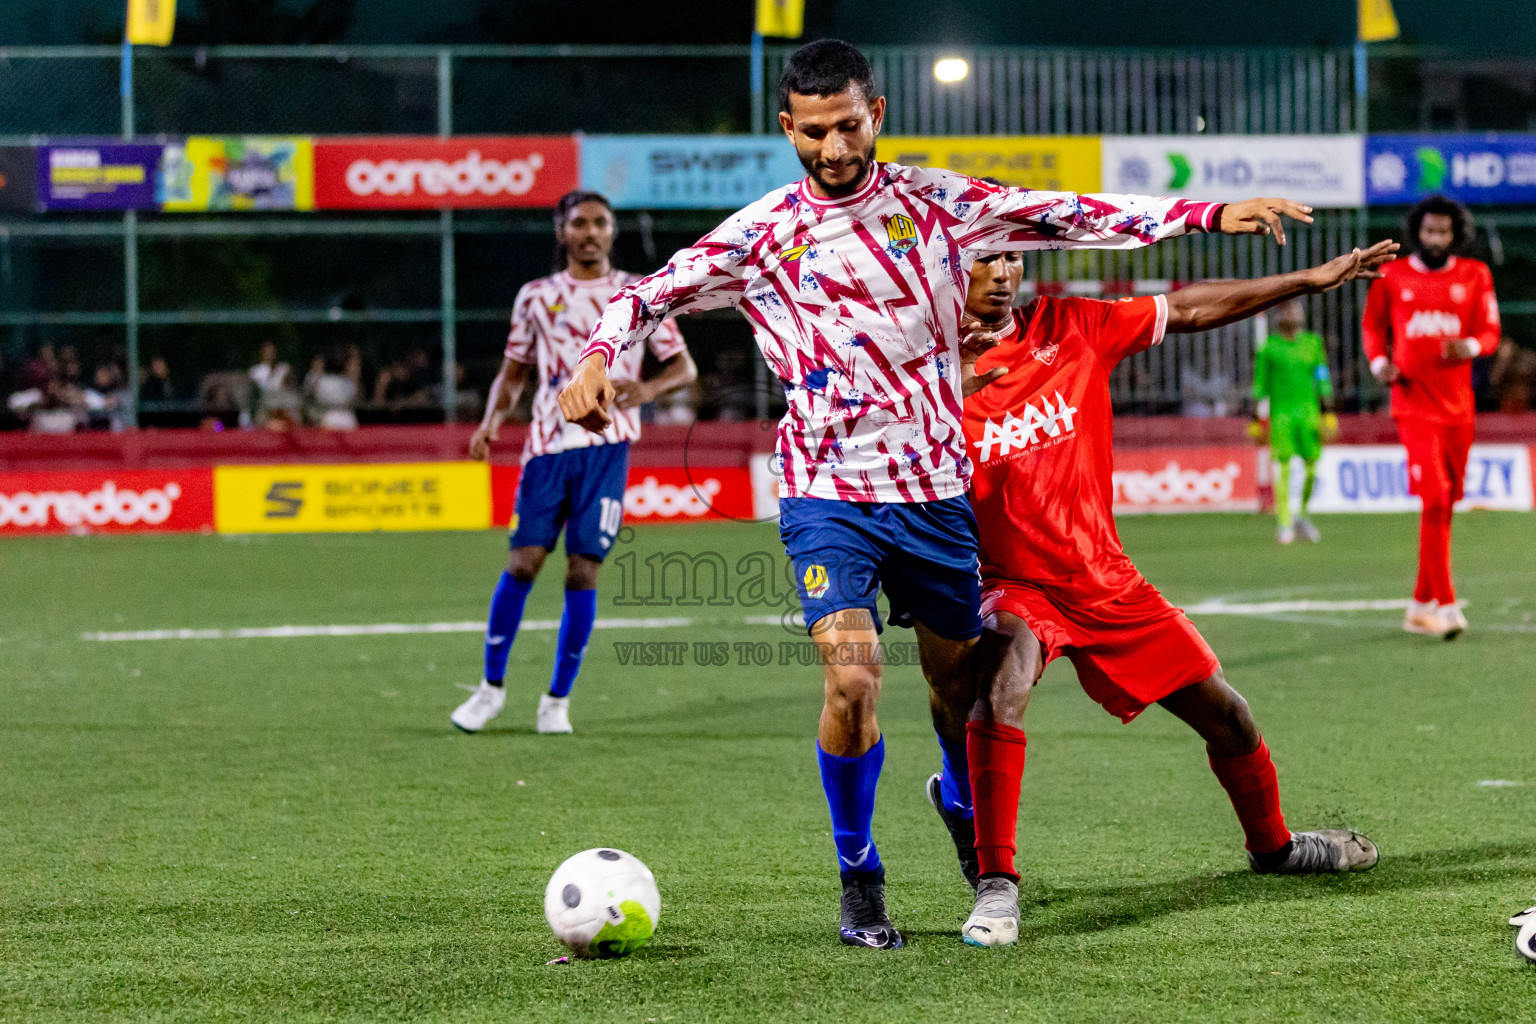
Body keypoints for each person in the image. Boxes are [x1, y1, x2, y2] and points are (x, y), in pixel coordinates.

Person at [556, 38, 1313, 950]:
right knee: (853, 677)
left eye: (848, 126)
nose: (834, 149)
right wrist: (597, 355)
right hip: (826, 492)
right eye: (814, 133)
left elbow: (1071, 214)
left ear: (875, 115)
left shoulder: (940, 204)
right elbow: (648, 294)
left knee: (955, 691)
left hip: (933, 495)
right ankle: (860, 877)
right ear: (787, 128)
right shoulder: (760, 234)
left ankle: (959, 800)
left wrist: (1208, 213)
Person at [933, 239, 1398, 948]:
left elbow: (1184, 308)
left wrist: (1306, 278)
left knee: (1232, 720)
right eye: (980, 262)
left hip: (1109, 579)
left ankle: (1274, 847)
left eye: (1012, 260)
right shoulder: (924, 375)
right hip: (1016, 585)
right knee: (1002, 689)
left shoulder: (1072, 327)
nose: (1001, 275)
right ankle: (997, 887)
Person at [450, 190, 696, 737]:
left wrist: (646, 388)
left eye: (600, 223)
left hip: (607, 450)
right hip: (547, 449)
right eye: (579, 223)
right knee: (523, 564)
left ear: (612, 232)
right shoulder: (536, 296)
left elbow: (684, 368)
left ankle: (556, 701)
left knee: (583, 569)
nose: (590, 232)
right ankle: (490, 690)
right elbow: (513, 373)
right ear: (561, 232)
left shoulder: (638, 294)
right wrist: (492, 421)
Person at [1362, 195, 1500, 640]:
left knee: (1446, 502)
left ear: (1455, 235)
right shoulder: (1393, 276)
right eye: (1428, 231)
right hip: (1413, 405)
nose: (1435, 239)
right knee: (1436, 499)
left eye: (1443, 232)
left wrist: (1472, 347)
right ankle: (1444, 603)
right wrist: (1378, 363)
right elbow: (1371, 327)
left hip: (1459, 409)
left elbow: (1490, 332)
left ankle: (1419, 604)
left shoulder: (1475, 275)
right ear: (1416, 232)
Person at [1250, 299, 1338, 544]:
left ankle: (1301, 514)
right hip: (1282, 414)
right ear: (1278, 317)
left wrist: (1328, 412)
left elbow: (1322, 377)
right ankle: (1284, 522)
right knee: (1283, 467)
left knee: (1312, 467)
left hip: (1309, 413)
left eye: (1295, 308)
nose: (1292, 312)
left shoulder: (1313, 344)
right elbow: (1260, 385)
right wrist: (1256, 419)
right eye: (1286, 309)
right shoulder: (1269, 347)